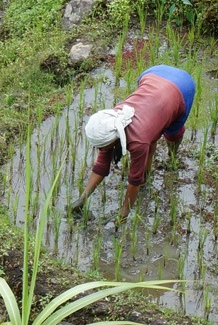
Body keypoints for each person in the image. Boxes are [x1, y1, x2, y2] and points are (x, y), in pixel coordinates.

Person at [70, 63, 196, 220]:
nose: (100, 150)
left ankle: (172, 158)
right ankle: (148, 172)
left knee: (172, 133)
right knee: (151, 132)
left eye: (101, 146)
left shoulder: (137, 141)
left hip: (182, 87)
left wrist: (123, 214)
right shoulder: (112, 123)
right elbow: (102, 164)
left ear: (110, 141)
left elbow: (135, 181)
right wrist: (82, 199)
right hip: (152, 75)